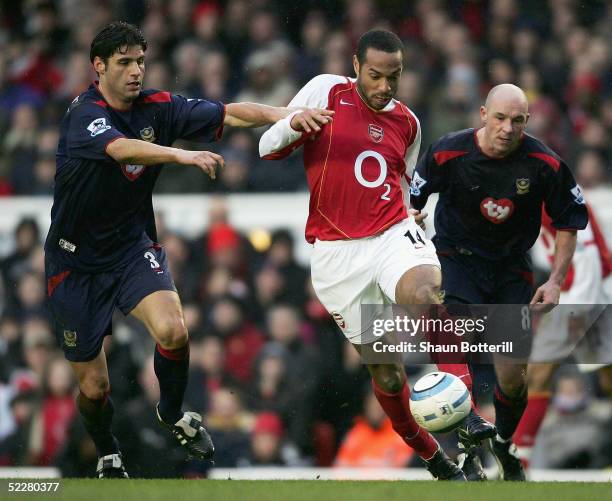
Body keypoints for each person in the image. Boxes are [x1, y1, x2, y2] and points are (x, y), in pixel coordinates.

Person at [44, 21, 330, 479]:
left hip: (129, 249)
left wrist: (285, 114)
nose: (136, 71)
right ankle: (107, 451)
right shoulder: (85, 113)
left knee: (175, 330)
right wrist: (183, 155)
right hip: (73, 262)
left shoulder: (159, 106)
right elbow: (120, 149)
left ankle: (172, 412)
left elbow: (231, 113)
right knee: (95, 387)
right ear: (98, 67)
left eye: (140, 61)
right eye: (124, 63)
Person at [260, 29, 483, 480]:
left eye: (394, 77)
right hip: (336, 256)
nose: (384, 86)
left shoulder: (410, 123)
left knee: (426, 294)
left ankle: (467, 410)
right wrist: (295, 123)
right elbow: (268, 146)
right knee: (387, 376)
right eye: (376, 76)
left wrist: (412, 213)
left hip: (390, 234)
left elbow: (401, 183)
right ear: (357, 66)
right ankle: (432, 457)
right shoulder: (326, 90)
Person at [410, 83, 588, 480]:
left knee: (512, 375)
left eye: (518, 120)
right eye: (501, 118)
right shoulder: (448, 152)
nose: (508, 128)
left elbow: (569, 222)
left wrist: (556, 279)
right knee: (451, 331)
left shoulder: (545, 163)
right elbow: (412, 199)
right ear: (483, 114)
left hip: (510, 271)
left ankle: (504, 445)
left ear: (528, 121)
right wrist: (412, 218)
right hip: (456, 259)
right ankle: (466, 438)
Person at [513, 204, 612, 468]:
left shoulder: (557, 197)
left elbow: (587, 254)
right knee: (541, 374)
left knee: (539, 374)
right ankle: (518, 460)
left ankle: (517, 461)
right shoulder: (542, 193)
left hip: (585, 295)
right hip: (585, 293)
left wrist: (579, 309)